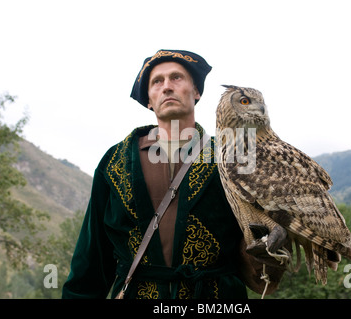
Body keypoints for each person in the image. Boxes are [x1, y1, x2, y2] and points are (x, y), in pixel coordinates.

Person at [62, 49, 285, 299]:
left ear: (197, 92)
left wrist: (267, 249)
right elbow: (92, 256)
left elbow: (256, 240)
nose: (167, 87)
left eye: (176, 78)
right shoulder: (116, 161)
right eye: (157, 81)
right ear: (149, 98)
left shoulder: (231, 157)